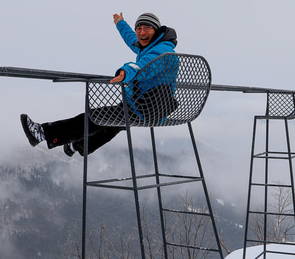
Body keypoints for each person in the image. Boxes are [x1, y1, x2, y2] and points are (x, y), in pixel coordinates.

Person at [20, 12, 178, 156]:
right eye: (139, 28)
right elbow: (133, 40)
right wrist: (121, 24)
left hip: (147, 108)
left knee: (96, 117)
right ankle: (80, 146)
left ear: (156, 30)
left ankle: (43, 133)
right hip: (153, 108)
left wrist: (125, 72)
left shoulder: (162, 53)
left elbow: (144, 67)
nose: (142, 33)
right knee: (114, 122)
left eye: (147, 28)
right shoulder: (153, 46)